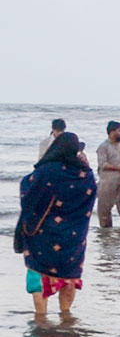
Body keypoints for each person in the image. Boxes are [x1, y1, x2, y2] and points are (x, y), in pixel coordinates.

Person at [17, 132, 97, 320]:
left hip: (45, 235)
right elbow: (91, 198)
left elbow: (27, 188)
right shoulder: (86, 174)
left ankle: (41, 318)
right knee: (69, 276)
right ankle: (66, 316)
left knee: (38, 274)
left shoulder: (48, 171)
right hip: (75, 236)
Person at [95, 122, 120, 228]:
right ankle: (106, 231)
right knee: (104, 208)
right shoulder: (103, 146)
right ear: (112, 132)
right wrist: (119, 169)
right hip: (108, 181)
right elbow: (103, 164)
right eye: (119, 131)